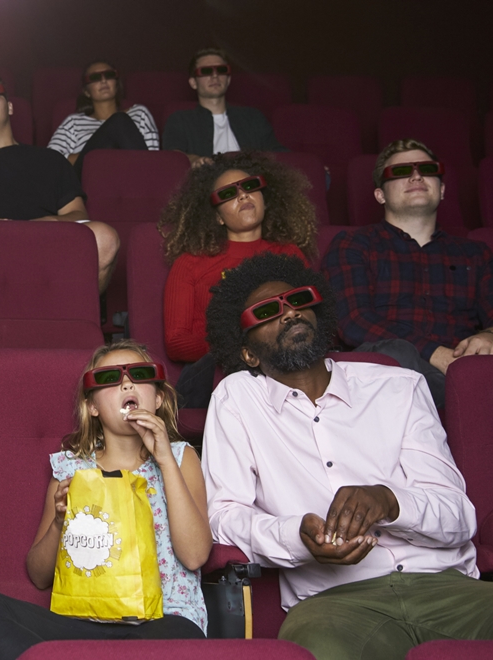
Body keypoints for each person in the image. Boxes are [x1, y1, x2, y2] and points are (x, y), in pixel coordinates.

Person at [200, 251, 493, 659]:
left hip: (446, 586)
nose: (289, 314)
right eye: (267, 312)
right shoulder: (236, 399)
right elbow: (224, 517)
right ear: (248, 353)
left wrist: (391, 501)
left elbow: (458, 517)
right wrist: (296, 536)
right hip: (335, 603)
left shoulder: (399, 386)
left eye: (298, 301)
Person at [0, 339, 210, 660]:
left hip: (162, 619)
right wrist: (60, 522)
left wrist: (164, 461)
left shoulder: (180, 458)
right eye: (109, 378)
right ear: (92, 407)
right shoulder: (70, 468)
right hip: (82, 622)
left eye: (140, 374)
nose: (127, 382)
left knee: (180, 635)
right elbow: (38, 574)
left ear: (158, 398)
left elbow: (195, 556)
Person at [0, 71, 120, 322]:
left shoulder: (50, 160)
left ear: (11, 107)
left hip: (43, 246)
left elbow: (78, 214)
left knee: (105, 236)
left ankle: (64, 326)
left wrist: (39, 226)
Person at [322, 138, 493, 409]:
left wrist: (489, 336)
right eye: (400, 171)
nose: (416, 175)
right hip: (386, 374)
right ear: (380, 194)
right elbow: (352, 321)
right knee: (398, 354)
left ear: (443, 189)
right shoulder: (353, 244)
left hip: (459, 371)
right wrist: (436, 354)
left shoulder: (477, 254)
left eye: (427, 169)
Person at [159, 152, 316, 408]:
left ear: (264, 199)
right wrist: (245, 348)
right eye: (228, 194)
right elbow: (176, 342)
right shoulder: (191, 262)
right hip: (214, 371)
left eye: (251, 187)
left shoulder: (289, 254)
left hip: (285, 364)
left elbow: (311, 318)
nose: (243, 195)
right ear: (218, 216)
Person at [162, 47, 285, 167]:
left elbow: (279, 156)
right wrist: (194, 159)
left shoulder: (253, 118)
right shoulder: (180, 120)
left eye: (221, 70)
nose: (215, 76)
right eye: (206, 71)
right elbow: (173, 156)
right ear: (193, 82)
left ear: (228, 79)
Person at [48, 60, 160, 164]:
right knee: (118, 122)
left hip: (130, 176)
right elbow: (50, 160)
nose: (103, 80)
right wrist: (95, 155)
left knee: (119, 121)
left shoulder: (139, 114)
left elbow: (152, 160)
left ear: (116, 85)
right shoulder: (74, 122)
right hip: (87, 179)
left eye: (109, 75)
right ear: (86, 92)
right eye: (95, 77)